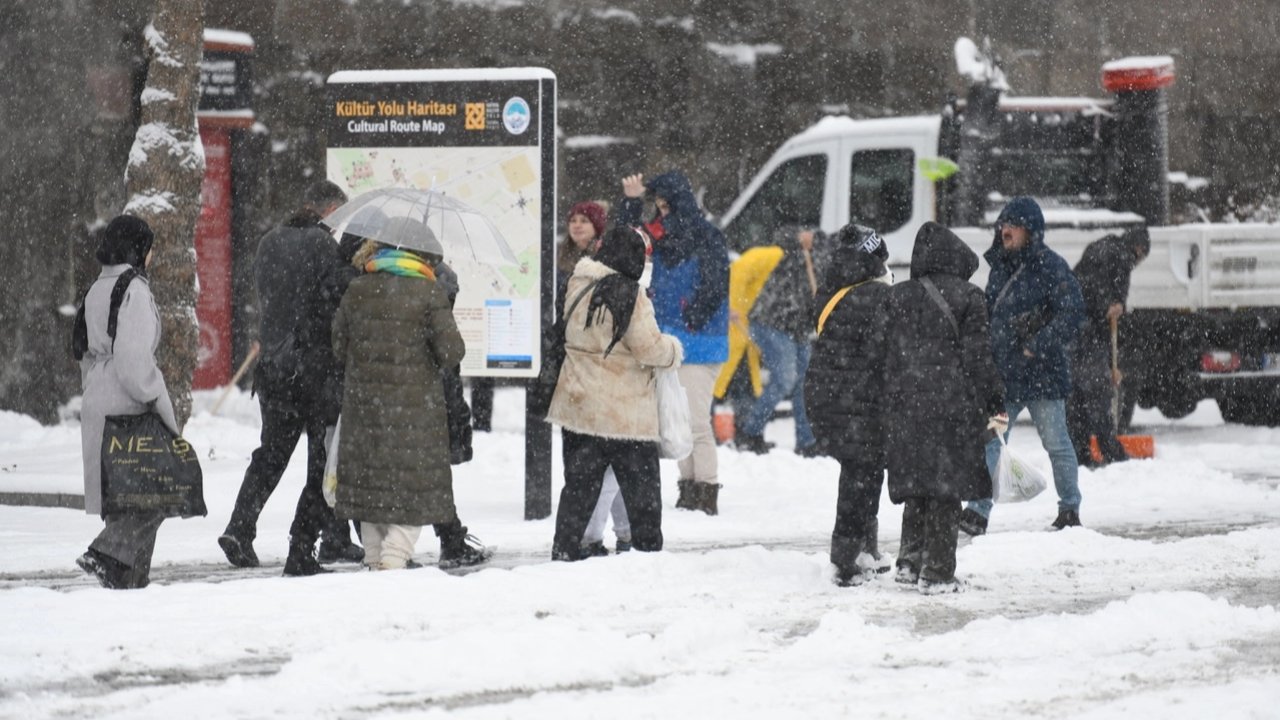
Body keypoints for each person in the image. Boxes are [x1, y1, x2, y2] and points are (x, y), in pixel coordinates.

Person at [217, 181, 365, 576]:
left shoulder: (268, 242)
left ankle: (239, 527)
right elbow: (330, 303)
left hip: (273, 367)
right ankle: (316, 542)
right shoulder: (323, 247)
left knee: (271, 454)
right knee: (322, 459)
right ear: (328, 207)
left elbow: (272, 299)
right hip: (312, 370)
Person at [331, 218, 478, 570]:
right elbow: (452, 353)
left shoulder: (358, 288)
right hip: (415, 413)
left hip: (365, 408)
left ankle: (373, 559)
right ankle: (394, 561)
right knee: (413, 487)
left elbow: (338, 346)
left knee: (371, 488)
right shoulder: (429, 293)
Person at [547, 226, 683, 561]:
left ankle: (566, 548)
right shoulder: (630, 293)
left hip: (578, 404)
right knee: (641, 491)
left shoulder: (576, 282)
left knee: (578, 486)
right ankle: (647, 552)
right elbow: (648, 348)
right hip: (623, 413)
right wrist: (673, 350)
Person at [884, 222, 1007, 594]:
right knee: (946, 487)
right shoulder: (970, 297)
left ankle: (908, 562)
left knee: (918, 482)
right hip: (951, 404)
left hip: (905, 404)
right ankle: (937, 572)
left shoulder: (896, 296)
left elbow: (883, 354)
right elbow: (979, 359)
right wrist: (995, 400)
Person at [959, 196, 1086, 536]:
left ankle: (1070, 508)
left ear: (1030, 230)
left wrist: (1035, 346)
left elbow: (1073, 313)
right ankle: (978, 511)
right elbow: (990, 315)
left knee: (1057, 443)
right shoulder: (1001, 267)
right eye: (1002, 224)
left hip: (1044, 378)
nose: (1005, 230)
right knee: (990, 441)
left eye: (1012, 224)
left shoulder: (1051, 266)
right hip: (1006, 378)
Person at [74, 215, 181, 589]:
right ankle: (108, 552)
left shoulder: (96, 289)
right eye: (149, 248)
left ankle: (125, 583)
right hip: (129, 403)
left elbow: (85, 353)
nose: (152, 256)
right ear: (139, 248)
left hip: (99, 397)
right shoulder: (133, 289)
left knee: (121, 498)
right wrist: (156, 399)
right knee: (155, 494)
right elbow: (134, 360)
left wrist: (96, 390)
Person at [617, 172, 729, 515]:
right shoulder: (668, 237)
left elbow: (714, 284)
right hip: (674, 340)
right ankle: (690, 487)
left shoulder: (706, 237)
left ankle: (705, 489)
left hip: (700, 342)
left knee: (695, 420)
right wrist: (633, 201)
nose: (662, 213)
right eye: (659, 207)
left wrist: (691, 316)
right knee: (678, 418)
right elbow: (625, 242)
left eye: (666, 206)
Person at [803, 225, 894, 586]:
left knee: (863, 471)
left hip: (830, 395)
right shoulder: (872, 296)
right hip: (855, 400)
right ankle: (846, 558)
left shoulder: (834, 290)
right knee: (862, 474)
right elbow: (882, 351)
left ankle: (863, 549)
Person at [729, 227, 822, 456]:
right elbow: (783, 235)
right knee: (785, 378)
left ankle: (806, 441)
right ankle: (749, 432)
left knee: (805, 382)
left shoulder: (828, 258)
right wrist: (799, 240)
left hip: (798, 327)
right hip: (771, 321)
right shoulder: (793, 253)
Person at [1068, 227, 1150, 467]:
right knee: (1098, 392)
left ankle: (1081, 451)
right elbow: (1109, 297)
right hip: (1090, 330)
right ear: (1139, 249)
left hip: (1073, 325)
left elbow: (1081, 281)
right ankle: (1110, 451)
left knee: (1077, 395)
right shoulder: (1123, 257)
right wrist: (1109, 306)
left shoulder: (1098, 246)